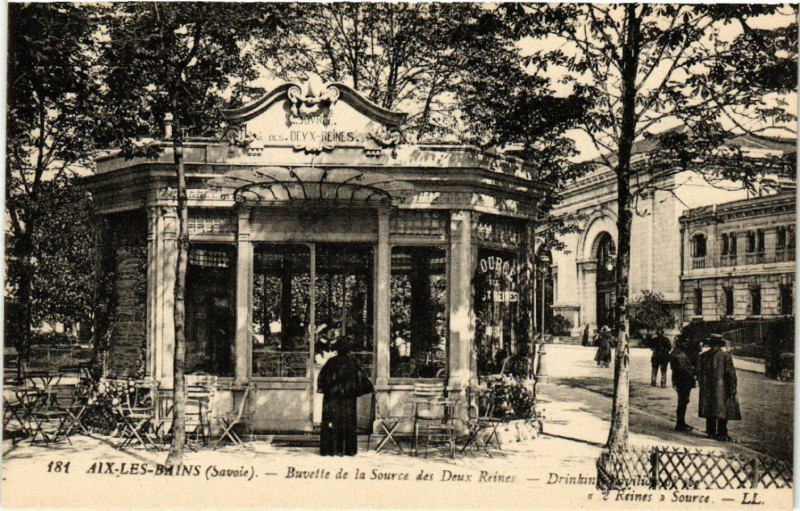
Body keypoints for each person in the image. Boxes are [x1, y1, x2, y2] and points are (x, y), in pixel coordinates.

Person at [316, 337, 374, 456]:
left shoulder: (331, 362)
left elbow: (322, 379)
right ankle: (348, 450)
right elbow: (362, 379)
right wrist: (368, 388)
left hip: (332, 398)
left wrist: (327, 390)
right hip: (348, 398)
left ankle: (331, 450)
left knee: (332, 421)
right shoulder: (353, 362)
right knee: (348, 422)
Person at [697, 333, 741, 442]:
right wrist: (732, 386)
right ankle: (722, 433)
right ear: (720, 344)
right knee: (723, 409)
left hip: (707, 387)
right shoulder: (725, 356)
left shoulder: (703, 356)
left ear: (711, 344)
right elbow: (730, 373)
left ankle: (710, 432)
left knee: (710, 407)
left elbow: (698, 372)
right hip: (721, 387)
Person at [669, 338, 696, 432]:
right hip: (683, 380)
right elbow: (684, 369)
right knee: (683, 402)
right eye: (685, 342)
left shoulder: (675, 352)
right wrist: (693, 370)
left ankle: (681, 422)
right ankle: (680, 423)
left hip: (679, 379)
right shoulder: (680, 354)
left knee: (682, 401)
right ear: (680, 343)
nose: (687, 344)